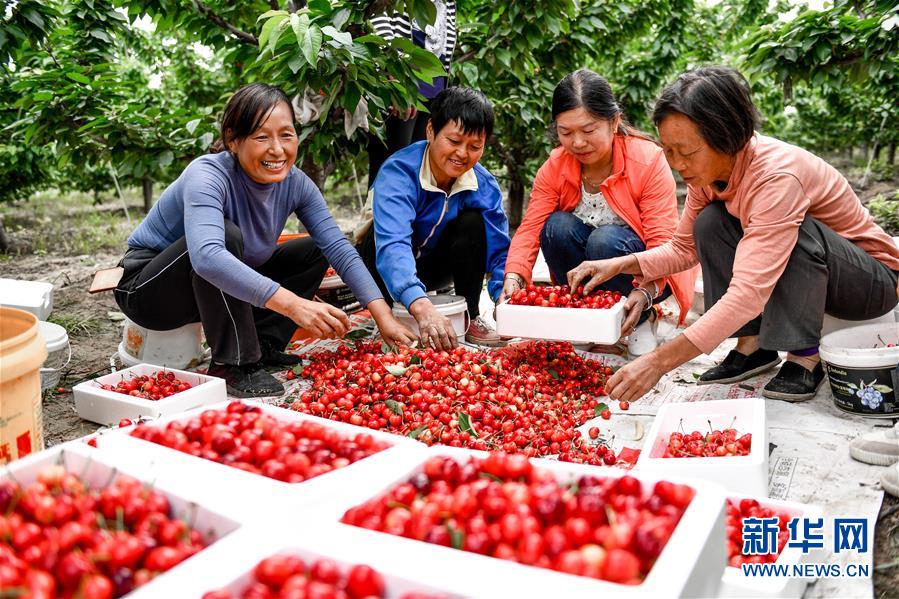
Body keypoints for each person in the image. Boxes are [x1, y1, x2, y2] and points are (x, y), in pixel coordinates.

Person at [570, 66, 899, 403]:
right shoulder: (707, 176)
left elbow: (748, 293)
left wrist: (659, 362)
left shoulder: (777, 178)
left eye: (687, 152)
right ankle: (753, 346)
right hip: (821, 275)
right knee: (710, 222)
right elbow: (684, 249)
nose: (677, 164)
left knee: (797, 232)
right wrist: (619, 264)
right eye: (669, 151)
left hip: (870, 283)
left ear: (726, 138)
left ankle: (804, 356)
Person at [114, 84, 416, 398]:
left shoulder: (296, 183)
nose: (277, 149)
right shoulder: (207, 175)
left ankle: (263, 343)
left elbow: (339, 249)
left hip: (207, 293)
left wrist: (383, 316)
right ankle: (233, 364)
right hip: (148, 291)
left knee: (313, 250)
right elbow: (207, 257)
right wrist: (294, 306)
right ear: (233, 140)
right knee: (223, 239)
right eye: (261, 137)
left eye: (286, 135)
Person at [501, 69, 697, 356]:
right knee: (556, 227)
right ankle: (583, 315)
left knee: (604, 240)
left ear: (614, 122)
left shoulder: (647, 161)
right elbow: (530, 229)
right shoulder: (555, 167)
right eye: (566, 132)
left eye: (588, 130)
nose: (578, 142)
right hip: (585, 272)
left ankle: (642, 318)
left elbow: (662, 242)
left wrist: (645, 291)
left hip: (646, 274)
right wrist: (514, 277)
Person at [356, 86, 511, 349]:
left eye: (475, 146)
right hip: (381, 267)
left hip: (433, 267)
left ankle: (470, 316)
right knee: (374, 239)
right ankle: (388, 315)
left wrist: (504, 294)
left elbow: (499, 249)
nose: (462, 154)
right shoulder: (399, 172)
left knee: (473, 223)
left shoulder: (483, 183)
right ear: (430, 131)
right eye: (454, 141)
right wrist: (421, 306)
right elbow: (393, 245)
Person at [367, 1, 457, 186]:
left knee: (417, 171)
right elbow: (378, 16)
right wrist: (395, 79)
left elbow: (447, 35)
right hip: (401, 81)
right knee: (391, 168)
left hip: (434, 89)